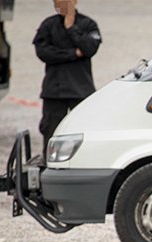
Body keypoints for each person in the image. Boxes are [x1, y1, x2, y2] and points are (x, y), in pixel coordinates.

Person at [33, 0, 101, 157]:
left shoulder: (88, 24)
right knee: (51, 132)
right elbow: (43, 53)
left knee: (84, 133)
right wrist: (73, 54)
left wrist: (71, 28)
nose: (61, 3)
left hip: (80, 90)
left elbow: (90, 48)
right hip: (54, 92)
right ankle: (50, 166)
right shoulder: (48, 25)